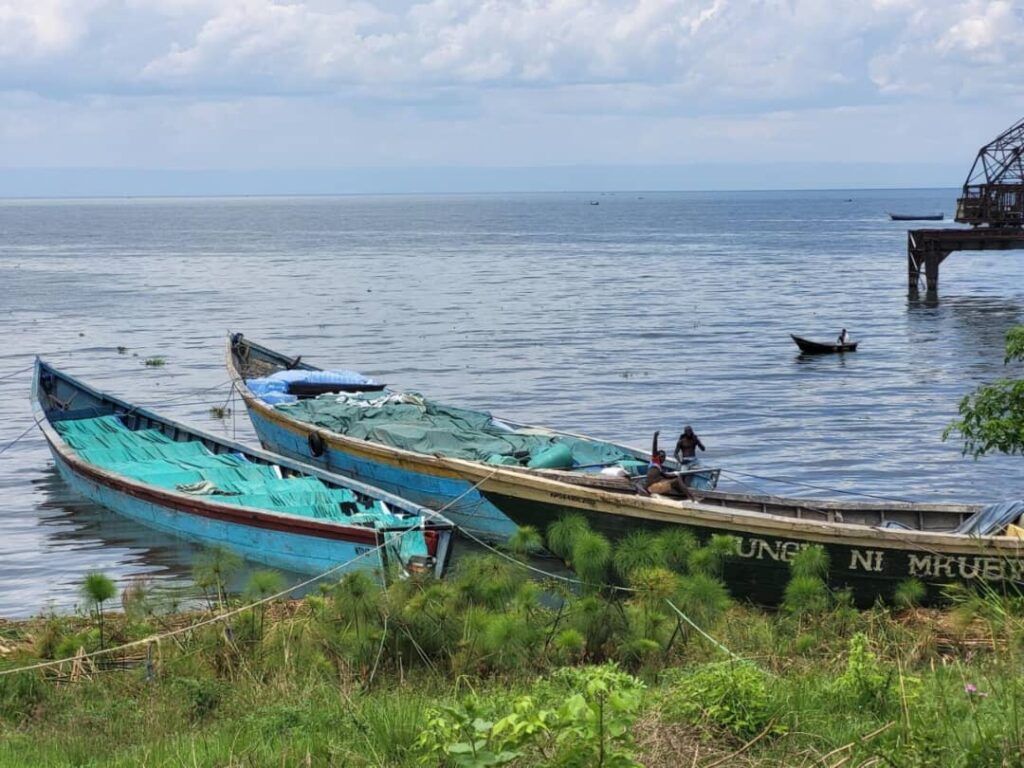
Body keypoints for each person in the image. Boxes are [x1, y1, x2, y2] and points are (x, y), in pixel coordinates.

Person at [644, 431, 692, 497]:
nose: (663, 459)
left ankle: (683, 494)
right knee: (677, 481)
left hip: (654, 486)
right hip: (652, 488)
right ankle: (690, 497)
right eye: (662, 457)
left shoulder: (658, 467)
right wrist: (655, 436)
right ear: (658, 457)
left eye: (664, 457)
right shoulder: (655, 460)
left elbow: (666, 476)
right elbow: (654, 448)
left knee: (676, 479)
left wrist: (676, 474)